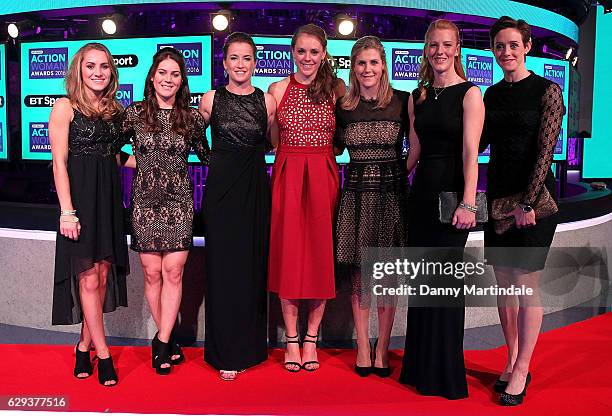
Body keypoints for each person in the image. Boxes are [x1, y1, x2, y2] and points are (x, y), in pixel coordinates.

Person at [480, 16, 564, 406]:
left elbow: (545, 152)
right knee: (503, 285)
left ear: (527, 46)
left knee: (525, 286)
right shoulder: (491, 95)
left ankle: (522, 368)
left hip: (533, 204)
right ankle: (512, 359)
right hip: (497, 199)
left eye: (513, 45)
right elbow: (478, 144)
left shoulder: (548, 91)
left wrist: (528, 202)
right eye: (500, 46)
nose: (506, 52)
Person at [399, 19, 484, 399]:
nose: (439, 51)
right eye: (433, 44)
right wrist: (393, 181)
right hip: (421, 197)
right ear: (426, 48)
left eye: (446, 45)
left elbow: (471, 153)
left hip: (452, 198)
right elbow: (415, 149)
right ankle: (419, 368)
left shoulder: (470, 94)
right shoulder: (417, 95)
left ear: (457, 48)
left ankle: (444, 374)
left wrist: (469, 201)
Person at [121, 47, 209, 375]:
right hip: (145, 204)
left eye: (175, 74)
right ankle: (167, 339)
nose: (168, 79)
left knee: (173, 272)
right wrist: (141, 165)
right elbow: (111, 150)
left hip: (179, 205)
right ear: (152, 76)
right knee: (152, 274)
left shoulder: (191, 119)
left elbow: (207, 155)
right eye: (163, 73)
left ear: (182, 80)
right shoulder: (135, 113)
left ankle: (161, 342)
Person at [198, 32, 277, 381]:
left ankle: (250, 348)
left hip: (256, 189)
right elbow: (194, 140)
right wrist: (217, 161)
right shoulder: (211, 98)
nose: (240, 64)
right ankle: (223, 352)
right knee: (222, 268)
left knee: (251, 268)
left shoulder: (267, 101)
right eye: (234, 58)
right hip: (221, 191)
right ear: (225, 62)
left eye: (247, 58)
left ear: (255, 63)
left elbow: (272, 144)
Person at [50, 43, 129, 387]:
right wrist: (67, 211)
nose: (98, 72)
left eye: (104, 67)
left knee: (100, 275)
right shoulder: (64, 107)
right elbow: (59, 163)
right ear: (78, 70)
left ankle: (83, 346)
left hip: (109, 200)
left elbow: (117, 157)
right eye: (90, 66)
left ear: (112, 72)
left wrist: (160, 157)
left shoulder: (115, 109)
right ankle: (104, 354)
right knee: (89, 279)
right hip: (80, 202)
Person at [267, 23, 346, 372]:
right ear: (292, 52)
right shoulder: (277, 88)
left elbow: (344, 135)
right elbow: (272, 139)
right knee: (288, 257)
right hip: (287, 174)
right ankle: (291, 339)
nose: (308, 58)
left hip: (323, 175)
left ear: (324, 54)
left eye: (314, 51)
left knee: (319, 257)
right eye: (301, 51)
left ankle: (311, 339)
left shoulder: (337, 90)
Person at [334, 36, 409, 378]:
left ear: (384, 66)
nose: (367, 69)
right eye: (361, 63)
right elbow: (333, 149)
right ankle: (363, 345)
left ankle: (383, 347)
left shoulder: (402, 102)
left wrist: (394, 174)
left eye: (374, 62)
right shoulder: (344, 106)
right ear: (353, 67)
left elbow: (417, 149)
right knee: (360, 275)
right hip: (356, 193)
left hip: (391, 193)